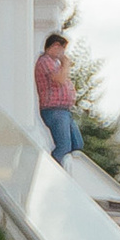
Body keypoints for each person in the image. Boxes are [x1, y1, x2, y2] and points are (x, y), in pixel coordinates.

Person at [35, 31, 83, 166]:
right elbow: (60, 79)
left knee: (76, 143)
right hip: (54, 109)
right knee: (63, 146)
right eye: (62, 49)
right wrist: (66, 64)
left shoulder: (54, 63)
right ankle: (52, 169)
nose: (63, 53)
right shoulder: (45, 61)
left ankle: (64, 168)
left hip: (63, 110)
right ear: (55, 46)